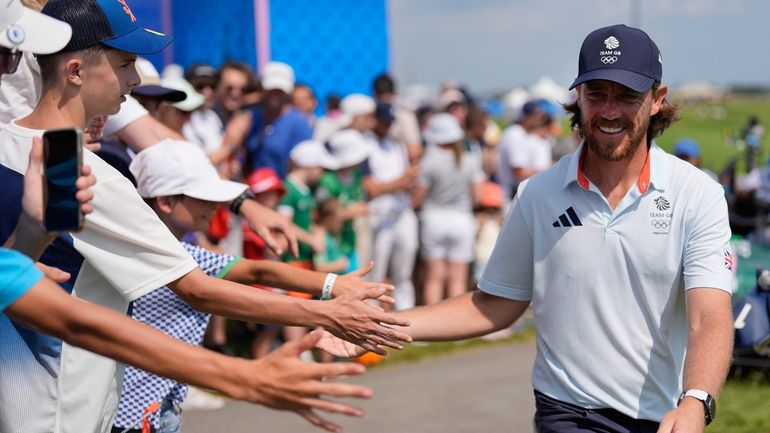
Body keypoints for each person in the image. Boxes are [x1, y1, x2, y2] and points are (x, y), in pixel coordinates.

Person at [0, 2, 410, 432]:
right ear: (76, 71)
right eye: (125, 65)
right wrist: (325, 314)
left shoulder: (16, 146)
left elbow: (18, 271)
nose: (136, 80)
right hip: (59, 409)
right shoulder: (82, 173)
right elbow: (197, 289)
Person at [327, 24, 734, 433]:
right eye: (597, 94)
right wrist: (378, 325)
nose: (610, 111)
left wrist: (696, 399)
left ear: (657, 100)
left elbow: (709, 317)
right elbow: (493, 304)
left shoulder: (696, 194)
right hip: (568, 414)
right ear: (578, 97)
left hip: (661, 417)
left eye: (627, 96)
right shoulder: (537, 194)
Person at [114, 140, 393, 432]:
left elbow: (256, 271)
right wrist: (326, 309)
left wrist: (334, 283)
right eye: (203, 197)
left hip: (161, 402)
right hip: (130, 410)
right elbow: (204, 292)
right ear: (167, 202)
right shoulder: (146, 251)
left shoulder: (181, 248)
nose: (214, 206)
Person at [413, 113, 484, 305]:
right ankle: (455, 330)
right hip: (461, 219)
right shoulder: (470, 159)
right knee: (458, 279)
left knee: (434, 277)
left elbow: (418, 197)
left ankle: (431, 326)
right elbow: (477, 196)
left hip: (434, 218)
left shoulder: (429, 160)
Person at [363, 101, 420, 310]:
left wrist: (406, 182)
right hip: (378, 213)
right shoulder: (366, 145)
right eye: (384, 121)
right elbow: (370, 188)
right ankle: (369, 317)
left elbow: (405, 181)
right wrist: (400, 182)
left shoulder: (396, 144)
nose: (387, 126)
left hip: (401, 210)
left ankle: (407, 316)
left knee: (404, 270)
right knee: (375, 271)